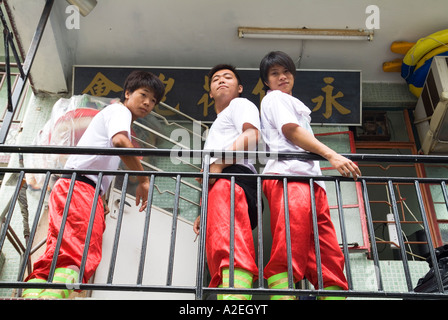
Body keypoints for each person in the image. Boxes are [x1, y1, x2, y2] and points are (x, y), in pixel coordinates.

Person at [22, 70, 165, 299]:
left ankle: (33, 295)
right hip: (80, 187)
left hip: (74, 187)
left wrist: (99, 198)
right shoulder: (120, 111)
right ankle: (51, 297)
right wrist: (144, 180)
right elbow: (120, 142)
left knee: (56, 252)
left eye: (153, 101)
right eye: (143, 95)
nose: (148, 103)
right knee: (79, 251)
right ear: (127, 93)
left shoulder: (114, 116)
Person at [259, 51, 361, 300]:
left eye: (286, 72)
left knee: (327, 250)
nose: (282, 77)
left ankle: (333, 293)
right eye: (275, 73)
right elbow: (292, 132)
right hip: (288, 176)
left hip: (310, 182)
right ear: (266, 81)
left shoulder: (293, 104)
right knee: (290, 242)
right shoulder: (275, 100)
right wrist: (332, 155)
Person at [193, 64, 261, 300]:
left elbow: (252, 135)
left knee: (230, 241)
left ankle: (236, 298)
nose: (221, 80)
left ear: (240, 88)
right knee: (219, 246)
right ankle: (228, 296)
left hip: (232, 177)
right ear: (210, 92)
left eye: (228, 77)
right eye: (215, 79)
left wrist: (220, 164)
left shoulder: (240, 105)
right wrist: (204, 209)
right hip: (219, 185)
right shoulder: (218, 124)